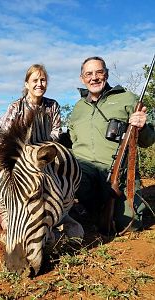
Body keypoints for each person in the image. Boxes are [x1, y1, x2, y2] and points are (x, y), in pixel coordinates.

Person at [69, 56, 155, 234]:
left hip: (118, 171)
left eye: (99, 72)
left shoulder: (128, 99)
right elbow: (72, 139)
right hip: (84, 171)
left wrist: (142, 125)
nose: (94, 78)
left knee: (129, 226)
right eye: (88, 74)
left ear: (106, 74)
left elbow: (147, 141)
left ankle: (104, 209)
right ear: (82, 78)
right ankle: (90, 208)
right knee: (72, 177)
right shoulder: (78, 108)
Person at [0, 64, 62, 143]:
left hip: (46, 150)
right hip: (21, 152)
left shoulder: (53, 105)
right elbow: (2, 133)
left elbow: (57, 132)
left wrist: (42, 146)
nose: (39, 84)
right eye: (35, 81)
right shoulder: (16, 107)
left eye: (42, 80)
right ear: (27, 85)